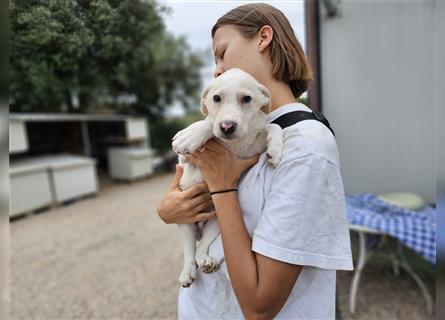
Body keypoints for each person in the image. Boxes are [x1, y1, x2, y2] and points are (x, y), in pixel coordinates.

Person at [157, 3, 353, 319]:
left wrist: (222, 186)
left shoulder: (305, 146)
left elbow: (259, 307)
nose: (217, 69)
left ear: (263, 38)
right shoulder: (237, 132)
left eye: (222, 52)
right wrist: (170, 209)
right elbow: (186, 184)